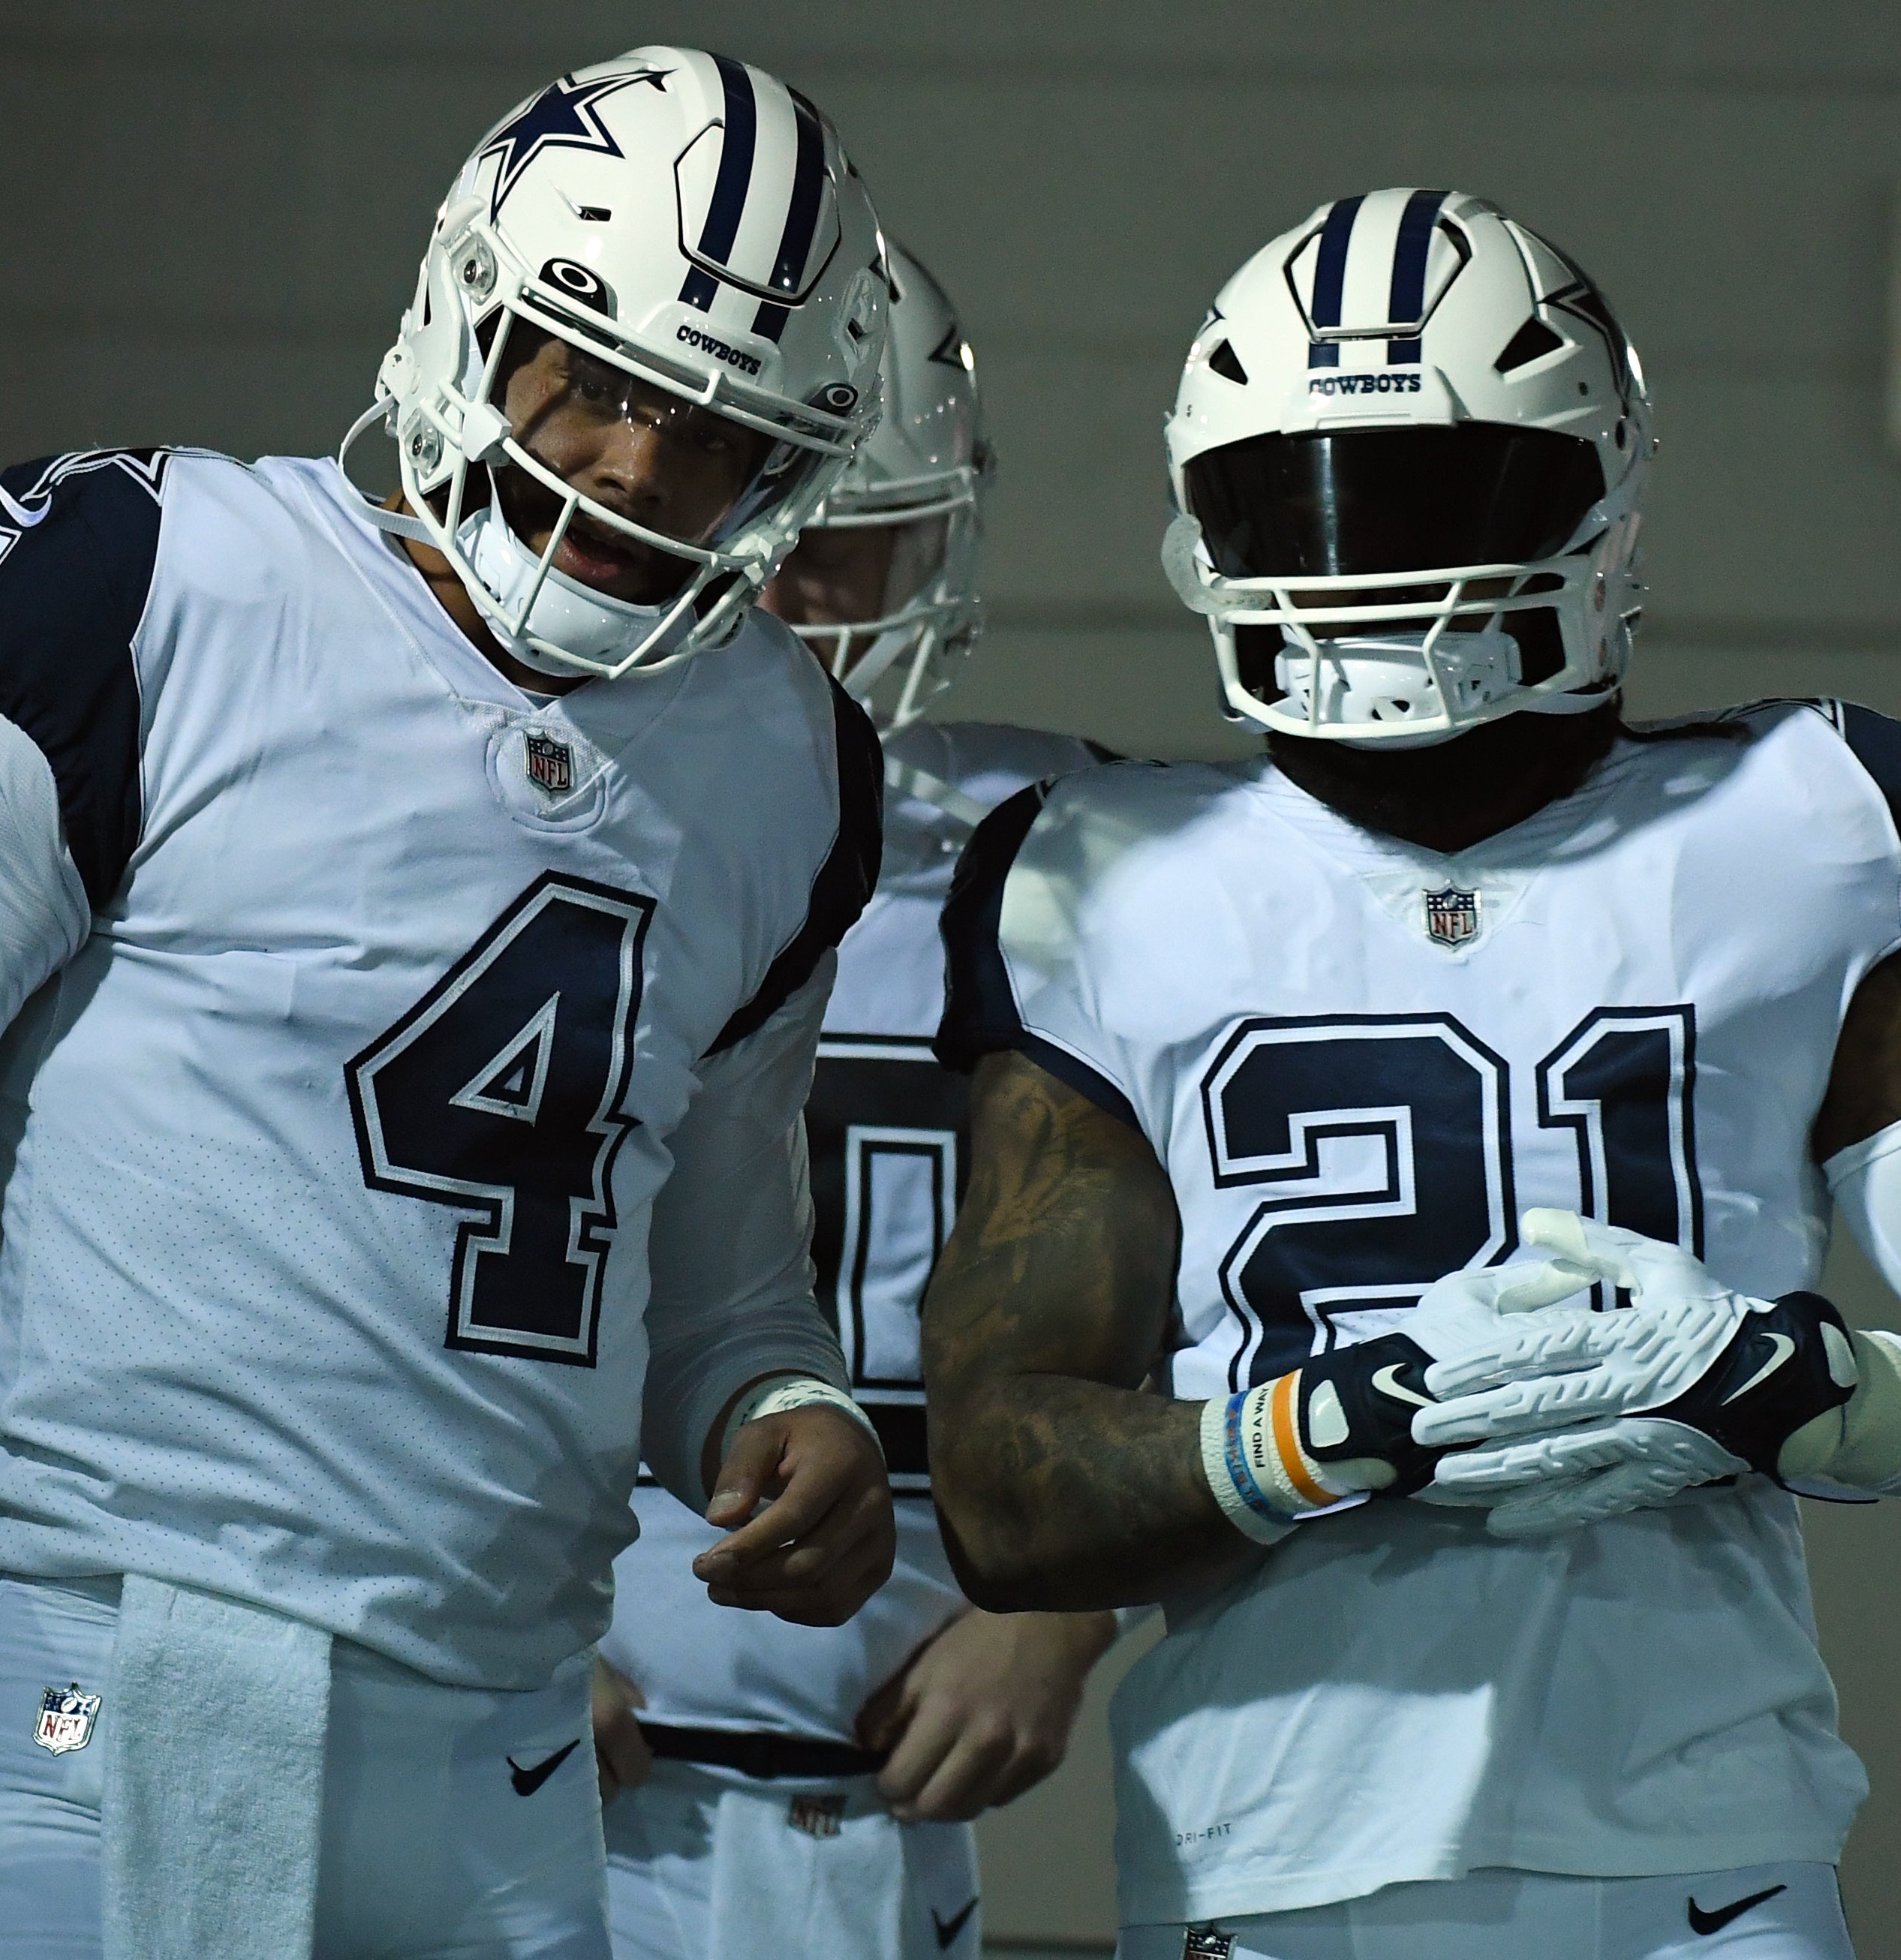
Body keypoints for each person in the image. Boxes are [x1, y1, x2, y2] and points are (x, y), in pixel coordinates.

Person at [0, 47, 906, 1960]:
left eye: (714, 431)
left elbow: (717, 1281)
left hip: (518, 1752)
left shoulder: (792, 764)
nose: (640, 467)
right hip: (114, 1687)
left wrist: (788, 1405)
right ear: (467, 315)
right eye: (600, 379)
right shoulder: (163, 585)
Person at [919, 188, 1901, 1960]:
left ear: (1598, 492)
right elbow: (999, 1486)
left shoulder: (1794, 823)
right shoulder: (1099, 876)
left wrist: (1787, 1385)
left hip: (1709, 1860)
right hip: (1279, 1870)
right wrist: (1335, 1424)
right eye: (1300, 502)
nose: (1365, 563)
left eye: (1438, 495)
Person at [588, 249, 1117, 1960]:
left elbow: (1239, 1271)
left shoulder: (1078, 854)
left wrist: (1069, 1608)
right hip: (542, 1758)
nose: (795, 588)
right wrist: (458, 1631)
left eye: (845, 531)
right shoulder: (511, 812)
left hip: (868, 1802)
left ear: (935, 532)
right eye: (762, 521)